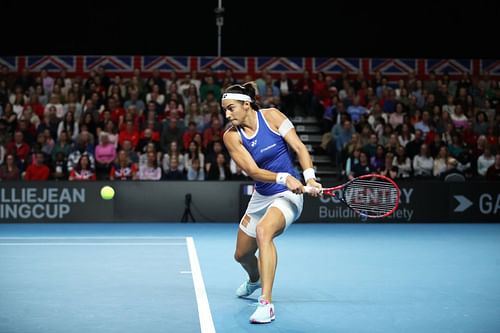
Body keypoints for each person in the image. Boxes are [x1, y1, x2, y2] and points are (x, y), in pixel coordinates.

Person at [221, 82, 322, 324]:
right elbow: (253, 171)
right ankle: (255, 280)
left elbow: (299, 147)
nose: (227, 114)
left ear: (247, 105)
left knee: (264, 231)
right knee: (242, 255)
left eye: (231, 108)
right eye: (224, 109)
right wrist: (283, 177)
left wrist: (309, 177)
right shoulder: (231, 136)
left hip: (288, 196)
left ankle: (266, 303)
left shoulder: (273, 116)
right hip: (262, 195)